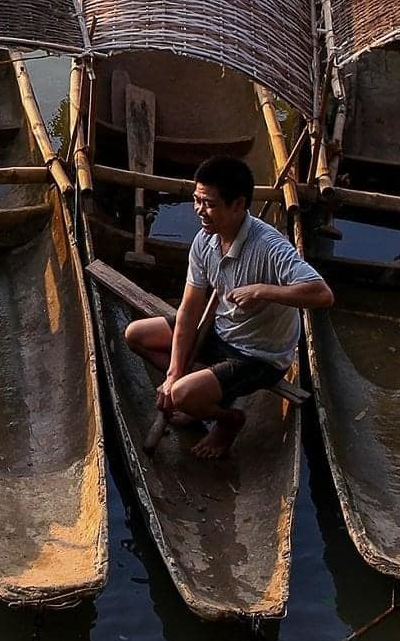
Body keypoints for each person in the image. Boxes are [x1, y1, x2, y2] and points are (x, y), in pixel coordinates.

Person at [125, 155, 333, 459]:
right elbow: (189, 311)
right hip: (220, 331)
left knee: (183, 395)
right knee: (136, 334)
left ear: (238, 205)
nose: (199, 210)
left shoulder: (270, 247)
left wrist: (265, 291)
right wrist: (173, 373)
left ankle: (228, 420)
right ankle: (202, 394)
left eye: (208, 204)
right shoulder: (204, 241)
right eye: (197, 201)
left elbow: (322, 294)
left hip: (259, 354)